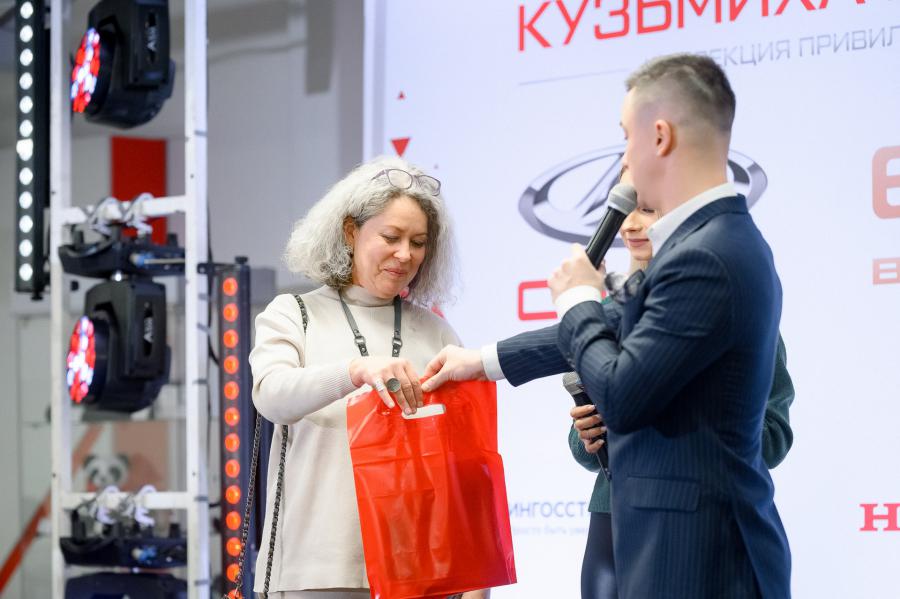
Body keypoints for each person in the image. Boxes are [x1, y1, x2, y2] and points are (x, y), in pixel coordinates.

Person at [422, 53, 792, 598]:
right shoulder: (710, 242)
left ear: (659, 137)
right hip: (679, 545)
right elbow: (615, 325)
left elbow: (622, 395)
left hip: (702, 557)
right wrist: (479, 362)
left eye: (626, 137)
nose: (624, 156)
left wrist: (577, 298)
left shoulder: (707, 256)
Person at [249, 156, 488, 598]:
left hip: (421, 572)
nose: (405, 254)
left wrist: (476, 584)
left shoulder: (437, 333)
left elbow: (465, 465)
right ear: (350, 232)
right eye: (391, 237)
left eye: (418, 242)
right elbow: (271, 397)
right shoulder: (294, 314)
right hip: (314, 570)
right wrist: (355, 371)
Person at [569, 176, 795, 599]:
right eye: (624, 211)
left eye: (647, 209)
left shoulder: (735, 301)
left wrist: (675, 415)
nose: (631, 224)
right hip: (612, 518)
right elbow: (583, 451)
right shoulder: (604, 313)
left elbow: (774, 436)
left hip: (698, 524)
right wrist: (589, 434)